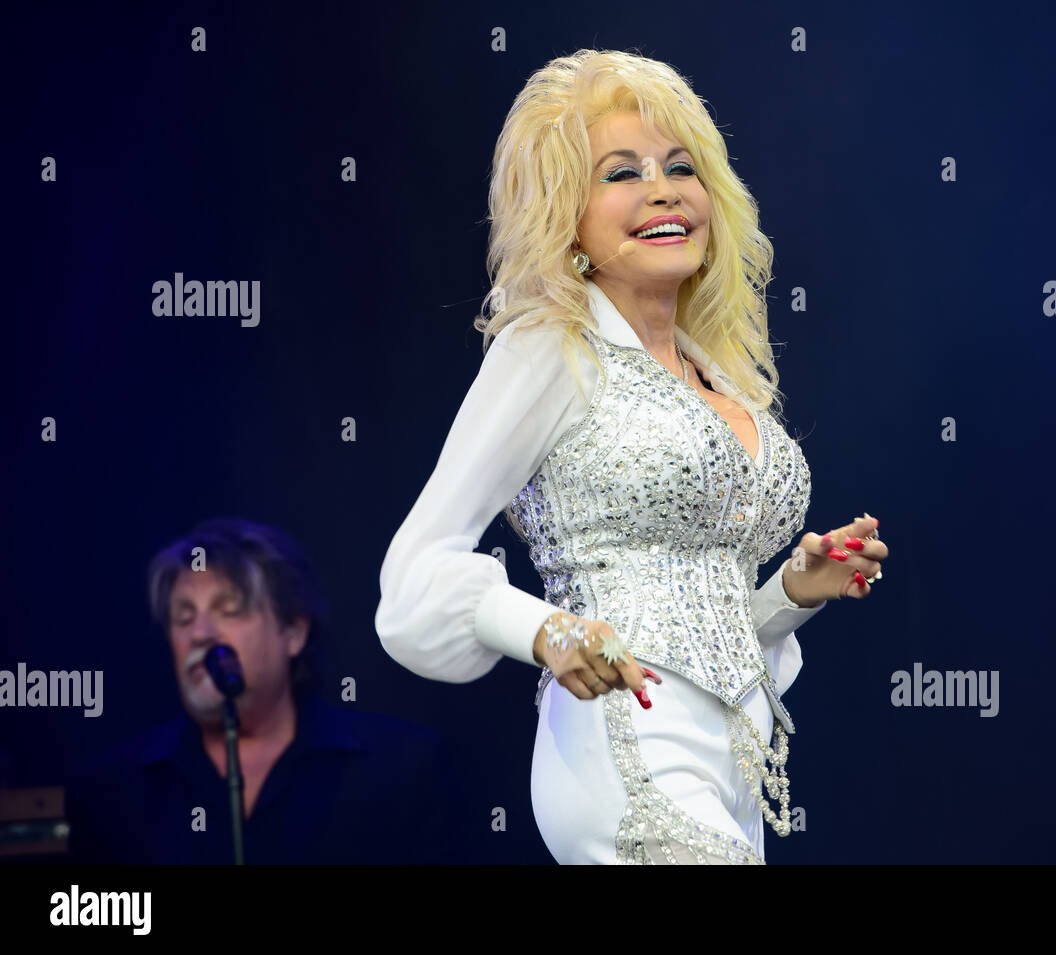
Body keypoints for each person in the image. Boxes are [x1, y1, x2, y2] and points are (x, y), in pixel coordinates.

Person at [375, 49, 888, 864]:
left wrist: (793, 592)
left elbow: (702, 634)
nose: (661, 187)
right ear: (567, 221)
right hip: (624, 752)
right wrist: (547, 631)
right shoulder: (550, 350)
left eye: (679, 166)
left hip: (734, 766)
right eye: (622, 173)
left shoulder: (717, 376)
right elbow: (411, 578)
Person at [66, 517, 463, 864]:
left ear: (293, 631)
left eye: (230, 611)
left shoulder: (403, 770)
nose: (200, 635)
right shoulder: (112, 792)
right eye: (183, 618)